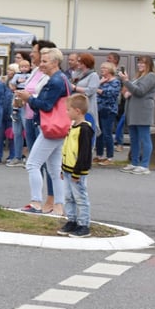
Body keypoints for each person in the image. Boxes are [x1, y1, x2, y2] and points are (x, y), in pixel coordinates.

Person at [14, 47, 68, 213]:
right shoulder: (61, 79)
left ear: (55, 62)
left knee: (32, 164)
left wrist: (28, 98)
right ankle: (58, 205)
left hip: (51, 127)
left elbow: (46, 105)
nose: (41, 65)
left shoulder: (55, 80)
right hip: (59, 127)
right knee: (54, 168)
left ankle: (36, 202)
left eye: (45, 62)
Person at [58, 93, 94, 238]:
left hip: (77, 172)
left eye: (68, 110)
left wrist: (77, 172)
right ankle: (71, 220)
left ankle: (84, 224)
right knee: (68, 197)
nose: (66, 112)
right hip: (67, 169)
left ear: (77, 111)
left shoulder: (84, 129)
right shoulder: (72, 127)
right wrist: (62, 167)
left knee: (80, 198)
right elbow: (67, 148)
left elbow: (84, 153)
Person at [117, 55, 155, 175]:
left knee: (144, 138)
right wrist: (128, 91)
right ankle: (134, 162)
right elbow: (134, 89)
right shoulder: (139, 76)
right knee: (134, 138)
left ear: (149, 65)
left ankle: (144, 165)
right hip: (133, 111)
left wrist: (126, 80)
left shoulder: (151, 76)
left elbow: (140, 91)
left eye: (143, 63)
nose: (140, 65)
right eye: (139, 62)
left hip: (143, 111)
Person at [94, 62, 121, 165]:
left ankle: (109, 157)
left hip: (109, 110)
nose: (102, 69)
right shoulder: (101, 80)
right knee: (99, 133)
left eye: (104, 68)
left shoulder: (115, 82)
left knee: (107, 133)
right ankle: (99, 155)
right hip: (99, 109)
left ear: (110, 69)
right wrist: (99, 83)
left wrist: (98, 89)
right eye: (101, 67)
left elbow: (110, 93)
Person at [69, 52, 100, 135]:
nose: (77, 63)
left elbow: (90, 90)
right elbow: (73, 79)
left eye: (80, 62)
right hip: (77, 106)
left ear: (85, 63)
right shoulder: (80, 74)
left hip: (88, 107)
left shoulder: (93, 75)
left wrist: (75, 88)